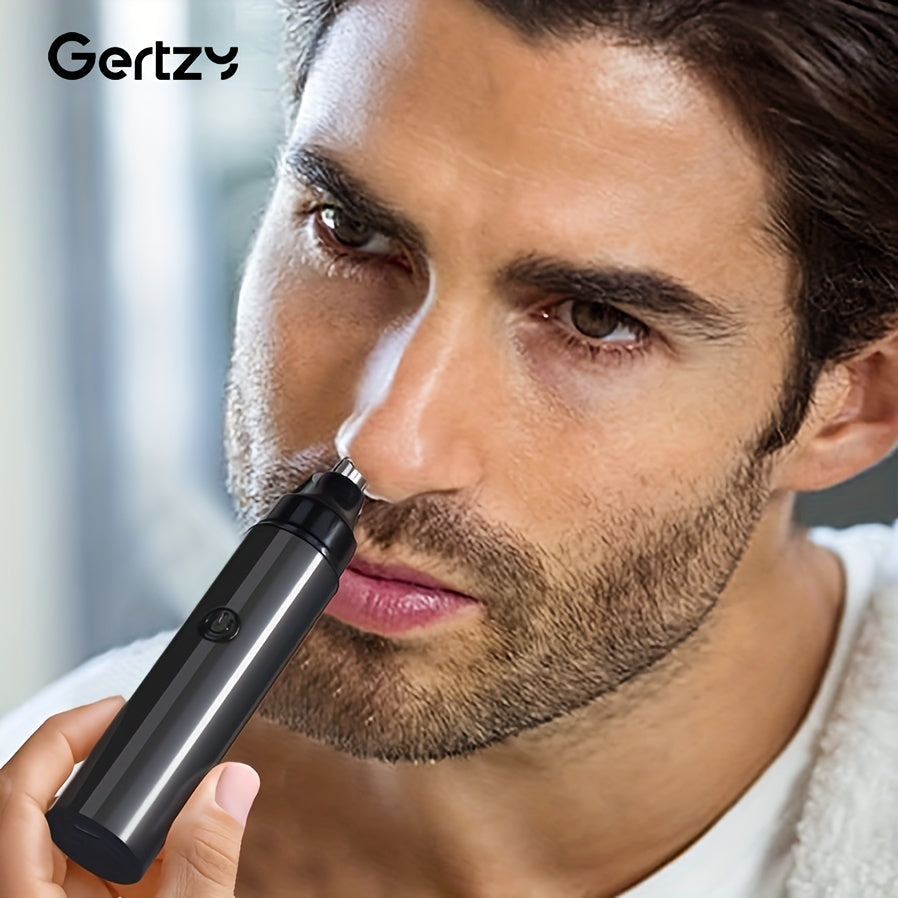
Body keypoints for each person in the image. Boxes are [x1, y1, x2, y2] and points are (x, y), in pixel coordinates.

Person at [2, 0, 897, 895]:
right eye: (350, 232)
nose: (384, 447)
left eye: (595, 320)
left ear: (853, 407)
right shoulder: (40, 829)